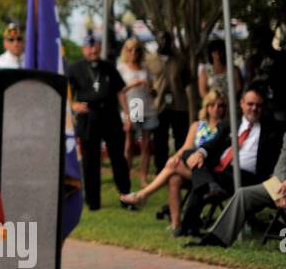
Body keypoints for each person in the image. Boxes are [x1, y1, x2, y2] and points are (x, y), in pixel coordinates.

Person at [199, 89, 286, 258]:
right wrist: (277, 189)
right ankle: (217, 238)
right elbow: (281, 167)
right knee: (245, 193)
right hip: (285, 186)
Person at [177, 85, 282, 236]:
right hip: (222, 170)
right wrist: (200, 153)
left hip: (248, 176)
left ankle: (187, 227)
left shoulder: (272, 130)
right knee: (190, 154)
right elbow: (212, 143)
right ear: (241, 104)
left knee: (199, 181)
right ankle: (210, 186)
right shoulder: (230, 124)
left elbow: (273, 161)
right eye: (250, 104)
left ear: (263, 107)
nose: (254, 108)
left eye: (258, 105)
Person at [119, 91, 227, 233]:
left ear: (225, 108)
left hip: (210, 174)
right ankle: (176, 224)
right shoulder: (197, 126)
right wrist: (174, 157)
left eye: (220, 106)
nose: (216, 109)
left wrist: (175, 161)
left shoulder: (226, 127)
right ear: (206, 107)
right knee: (174, 178)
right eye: (212, 105)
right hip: (192, 169)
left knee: (174, 167)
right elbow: (186, 148)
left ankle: (142, 195)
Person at [66, 32, 132, 210]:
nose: (93, 50)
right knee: (90, 161)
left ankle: (125, 196)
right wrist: (74, 105)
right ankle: (93, 201)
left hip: (110, 116)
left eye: (96, 46)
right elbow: (65, 93)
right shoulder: (74, 68)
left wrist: (127, 115)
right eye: (89, 46)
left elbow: (120, 91)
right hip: (89, 118)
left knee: (118, 158)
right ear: (83, 49)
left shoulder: (108, 66)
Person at [150, 31, 193, 171]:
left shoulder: (180, 60)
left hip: (179, 105)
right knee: (159, 139)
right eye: (162, 39)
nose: (165, 43)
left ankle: (182, 166)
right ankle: (160, 169)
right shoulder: (150, 60)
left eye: (168, 40)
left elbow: (188, 79)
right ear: (157, 41)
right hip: (158, 105)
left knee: (181, 137)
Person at [117, 37, 157, 180]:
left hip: (146, 106)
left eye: (137, 49)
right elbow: (118, 91)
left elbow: (154, 90)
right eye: (130, 49)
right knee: (129, 145)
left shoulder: (145, 68)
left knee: (146, 145)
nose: (133, 52)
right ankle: (125, 177)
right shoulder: (121, 68)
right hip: (132, 107)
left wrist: (151, 88)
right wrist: (133, 84)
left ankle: (143, 178)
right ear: (126, 51)